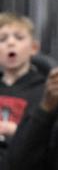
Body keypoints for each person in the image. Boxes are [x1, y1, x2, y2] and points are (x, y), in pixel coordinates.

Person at [0, 13, 45, 148]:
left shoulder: (43, 89)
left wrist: (15, 130)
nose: (11, 43)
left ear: (34, 48)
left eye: (19, 38)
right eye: (2, 39)